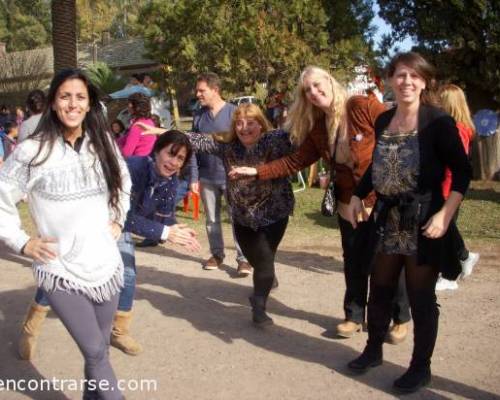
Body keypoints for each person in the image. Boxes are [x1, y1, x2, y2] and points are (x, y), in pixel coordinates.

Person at [229, 66, 410, 341]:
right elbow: (295, 161)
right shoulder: (319, 126)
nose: (314, 92)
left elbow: (395, 136)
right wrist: (257, 171)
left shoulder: (361, 106)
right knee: (353, 259)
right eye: (307, 90)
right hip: (348, 202)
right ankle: (353, 315)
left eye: (317, 85)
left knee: (386, 260)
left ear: (330, 81)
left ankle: (399, 318)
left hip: (381, 198)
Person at [0, 68, 131, 399]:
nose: (73, 104)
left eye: (80, 97)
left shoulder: (103, 145)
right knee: (95, 351)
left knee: (99, 350)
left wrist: (118, 218)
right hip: (59, 269)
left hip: (105, 264)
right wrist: (22, 241)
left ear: (89, 105)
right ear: (53, 103)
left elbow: (123, 183)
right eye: (65, 96)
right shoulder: (33, 151)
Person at [346, 52, 471, 393]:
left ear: (424, 81)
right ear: (390, 79)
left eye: (414, 76)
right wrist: (360, 193)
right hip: (388, 217)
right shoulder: (384, 121)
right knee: (381, 285)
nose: (406, 82)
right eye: (400, 75)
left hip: (423, 218)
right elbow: (377, 165)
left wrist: (445, 215)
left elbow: (463, 173)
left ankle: (421, 368)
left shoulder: (437, 121)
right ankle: (373, 350)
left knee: (420, 296)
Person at [19, 129, 200, 363]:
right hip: (86, 220)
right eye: (170, 154)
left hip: (117, 227)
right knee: (61, 273)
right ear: (156, 150)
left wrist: (177, 230)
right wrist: (166, 232)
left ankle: (119, 331)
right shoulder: (134, 168)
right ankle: (30, 328)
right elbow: (130, 217)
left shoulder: (170, 180)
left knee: (127, 274)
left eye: (180, 158)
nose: (173, 162)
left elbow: (163, 217)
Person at [191, 103, 294, 325]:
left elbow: (302, 138)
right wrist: (164, 133)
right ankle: (266, 277)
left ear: (261, 124)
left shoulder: (275, 140)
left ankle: (259, 305)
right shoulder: (228, 146)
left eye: (250, 123)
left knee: (265, 256)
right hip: (242, 215)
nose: (244, 128)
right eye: (239, 122)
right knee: (256, 258)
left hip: (274, 213)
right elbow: (195, 140)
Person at [191, 72, 251, 276]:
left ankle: (244, 259)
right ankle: (217, 255)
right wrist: (193, 177)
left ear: (215, 90)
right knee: (212, 220)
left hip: (232, 177)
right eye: (197, 90)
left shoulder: (235, 113)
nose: (198, 94)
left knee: (238, 218)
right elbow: (192, 145)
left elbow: (245, 144)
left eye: (202, 90)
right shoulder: (198, 115)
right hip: (207, 177)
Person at [435, 83, 480, 290]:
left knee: (444, 228)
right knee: (446, 228)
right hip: (445, 185)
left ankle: (450, 276)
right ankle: (464, 257)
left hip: (449, 186)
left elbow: (456, 164)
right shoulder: (455, 126)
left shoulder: (458, 129)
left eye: (440, 100)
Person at [117, 92, 156, 157]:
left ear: (136, 107)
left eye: (129, 104)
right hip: (147, 161)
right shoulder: (149, 122)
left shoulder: (138, 126)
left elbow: (126, 153)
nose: (127, 107)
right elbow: (124, 139)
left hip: (138, 163)